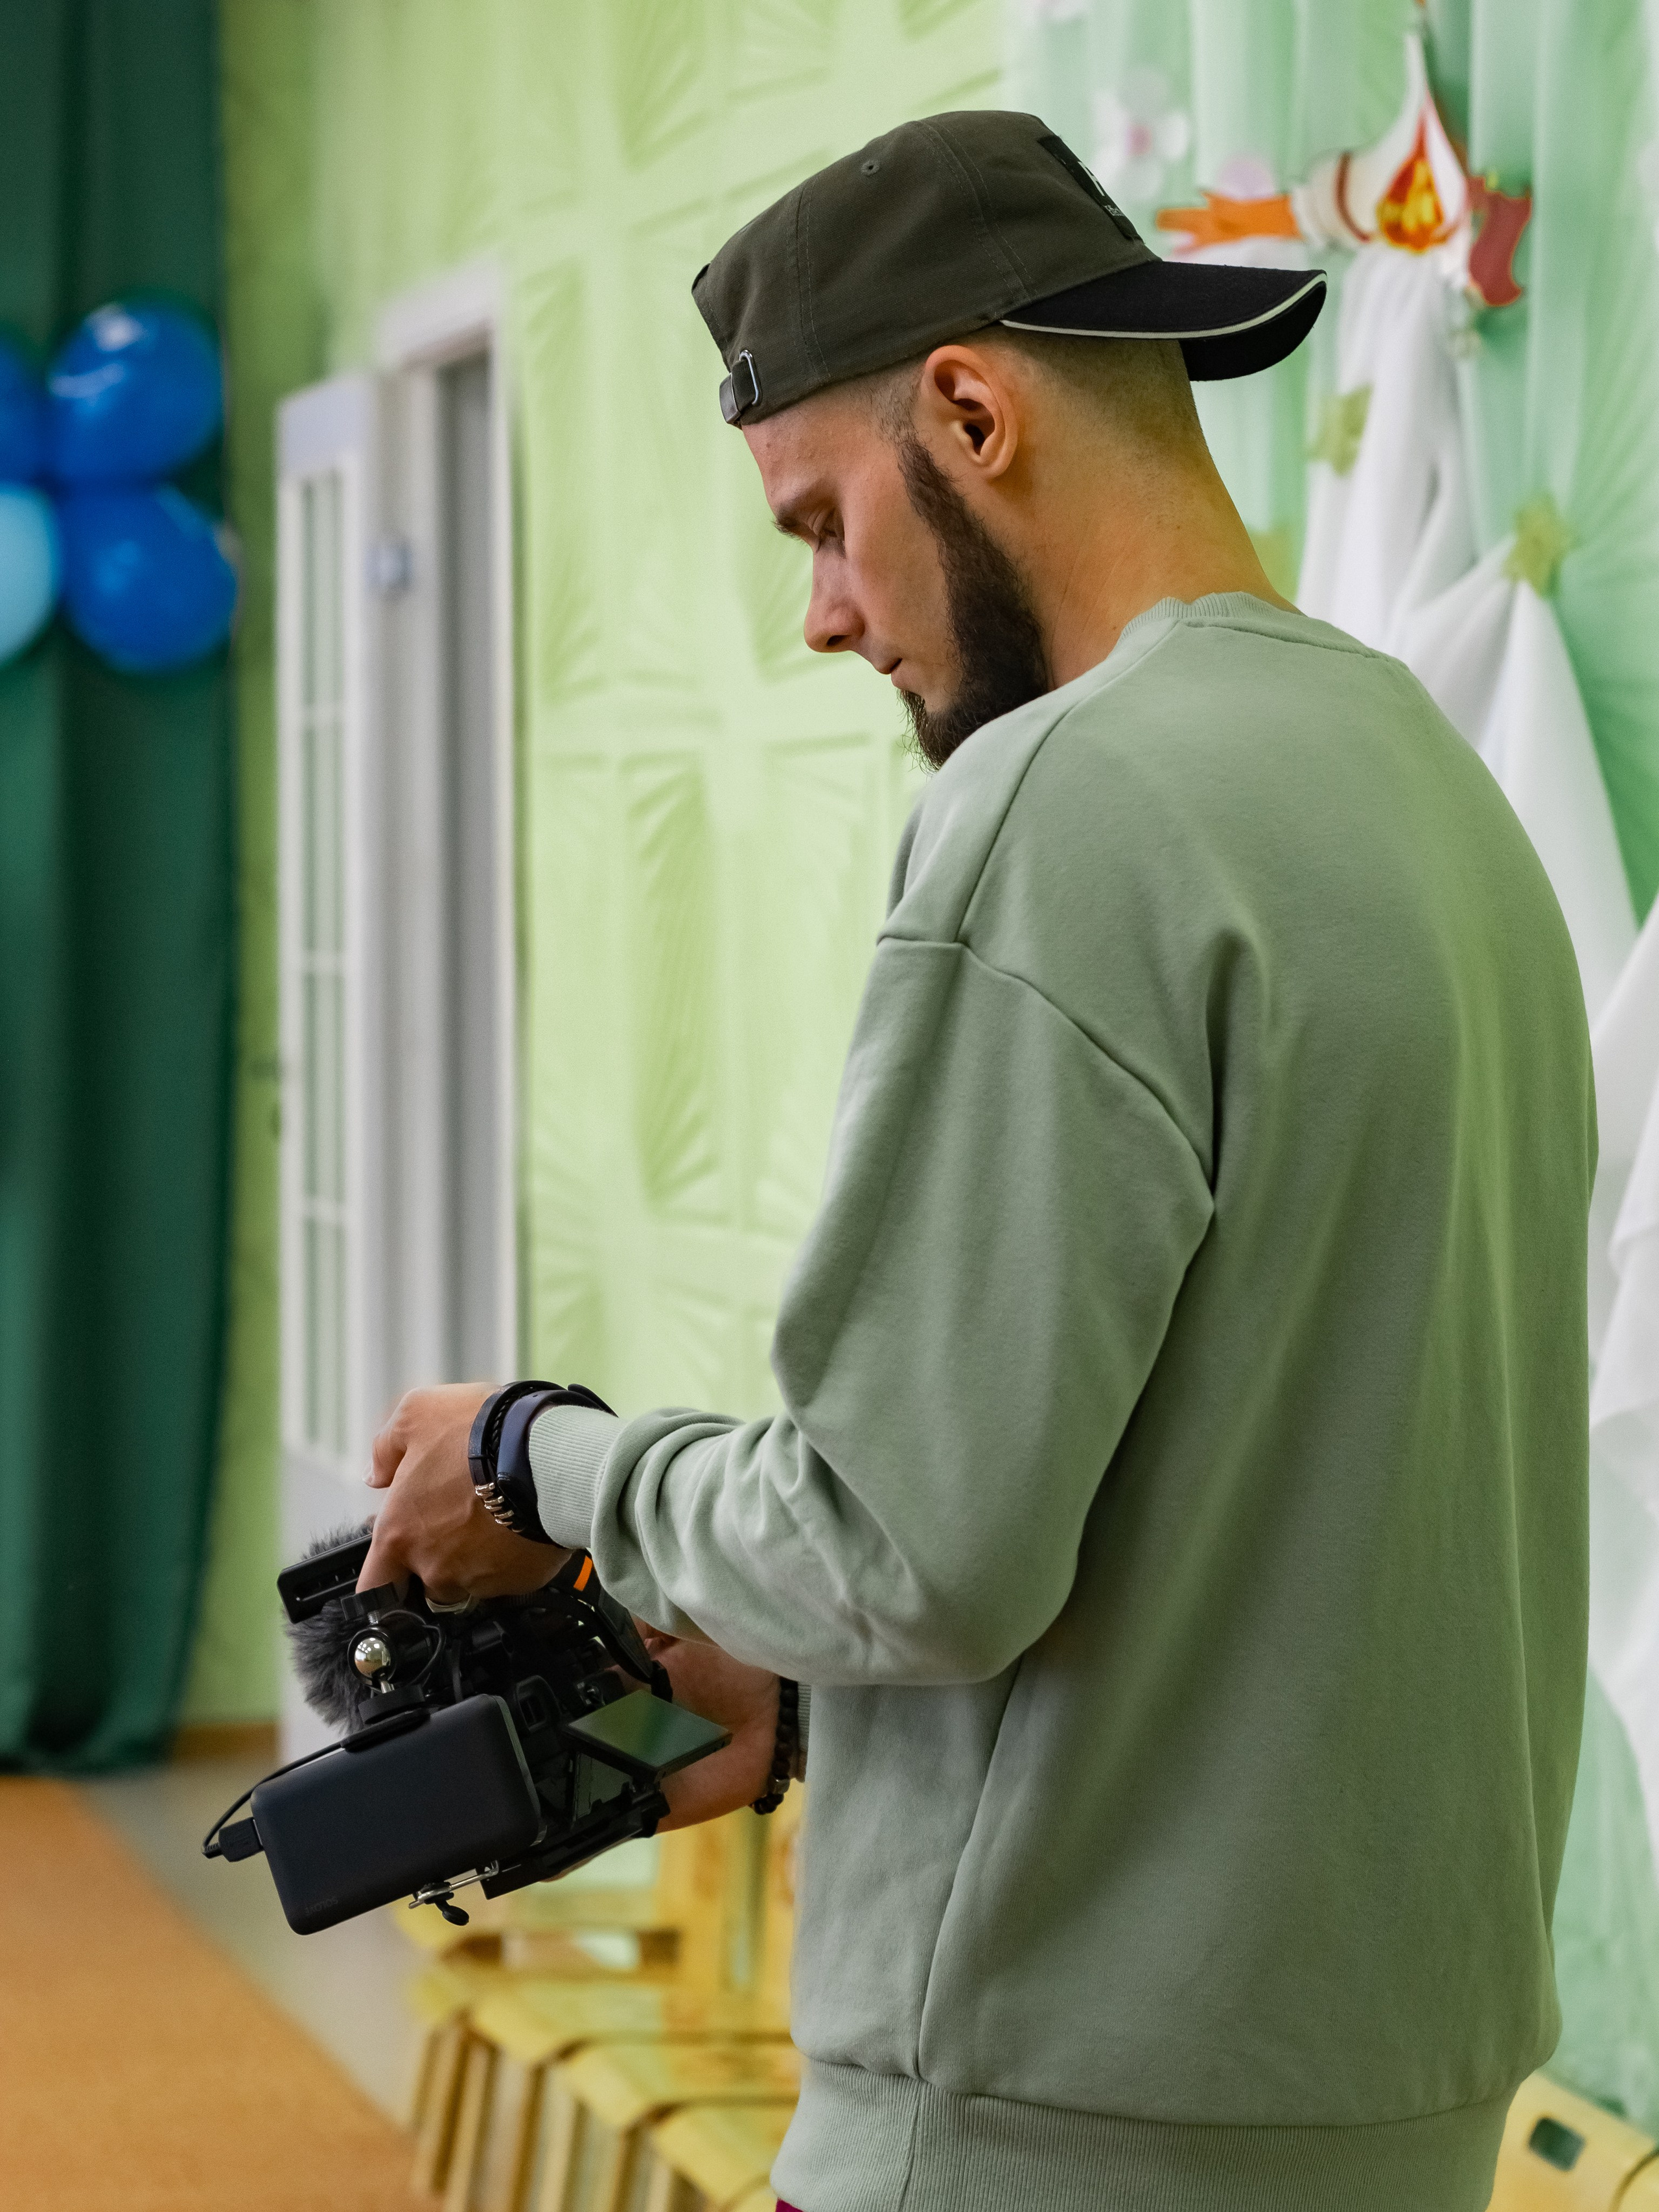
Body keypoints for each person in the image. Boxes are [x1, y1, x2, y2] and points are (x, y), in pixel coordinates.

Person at [357, 111, 1594, 2212]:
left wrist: (542, 1455)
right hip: (1386, 2116)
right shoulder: (1438, 801)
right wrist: (835, 1720)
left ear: (968, 409)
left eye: (823, 525)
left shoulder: (1066, 803)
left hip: (1040, 2125)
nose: (827, 620)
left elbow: (899, 1545)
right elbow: (1268, 1521)